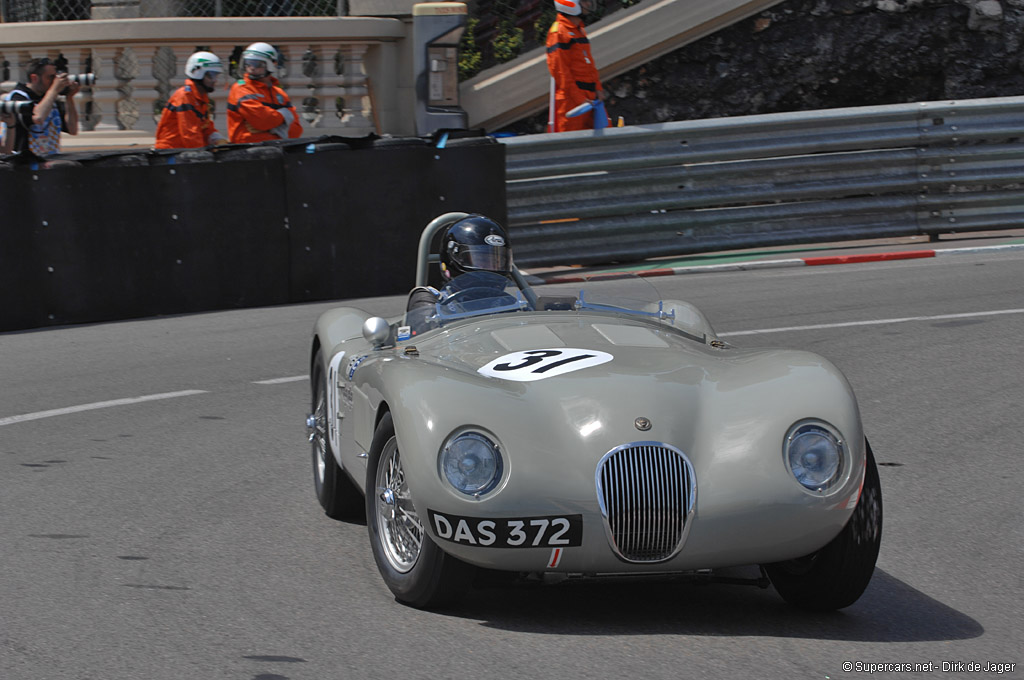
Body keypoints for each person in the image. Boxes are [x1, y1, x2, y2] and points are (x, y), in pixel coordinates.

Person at [407, 214, 514, 316]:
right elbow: (422, 327)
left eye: (496, 262)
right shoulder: (431, 301)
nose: (489, 268)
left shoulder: (509, 304)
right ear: (453, 259)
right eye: (481, 260)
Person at [545, 0, 609, 133]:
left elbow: (589, 64)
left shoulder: (578, 29)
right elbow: (561, 72)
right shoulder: (558, 33)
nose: (589, 4)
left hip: (589, 97)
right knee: (573, 145)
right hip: (573, 100)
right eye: (584, 2)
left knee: (602, 141)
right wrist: (579, 98)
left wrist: (597, 88)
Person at [227, 42, 302, 144]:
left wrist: (270, 128)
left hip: (276, 150)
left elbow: (296, 131)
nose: (251, 68)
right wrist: (284, 118)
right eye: (248, 63)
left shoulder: (279, 93)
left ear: (271, 64)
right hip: (248, 151)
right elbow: (262, 121)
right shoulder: (241, 88)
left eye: (257, 64)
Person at [4, 57, 80, 155]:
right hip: (23, 162)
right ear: (34, 78)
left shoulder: (50, 97)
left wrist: (69, 98)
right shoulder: (18, 97)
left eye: (55, 77)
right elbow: (38, 118)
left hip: (49, 159)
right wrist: (54, 90)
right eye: (50, 77)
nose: (54, 82)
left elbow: (72, 129)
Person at [154, 51, 228, 149]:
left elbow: (205, 127)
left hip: (183, 149)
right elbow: (189, 134)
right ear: (197, 73)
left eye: (216, 75)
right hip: (170, 151)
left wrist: (218, 139)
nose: (215, 80)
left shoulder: (200, 97)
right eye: (211, 75)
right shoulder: (185, 97)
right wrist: (204, 154)